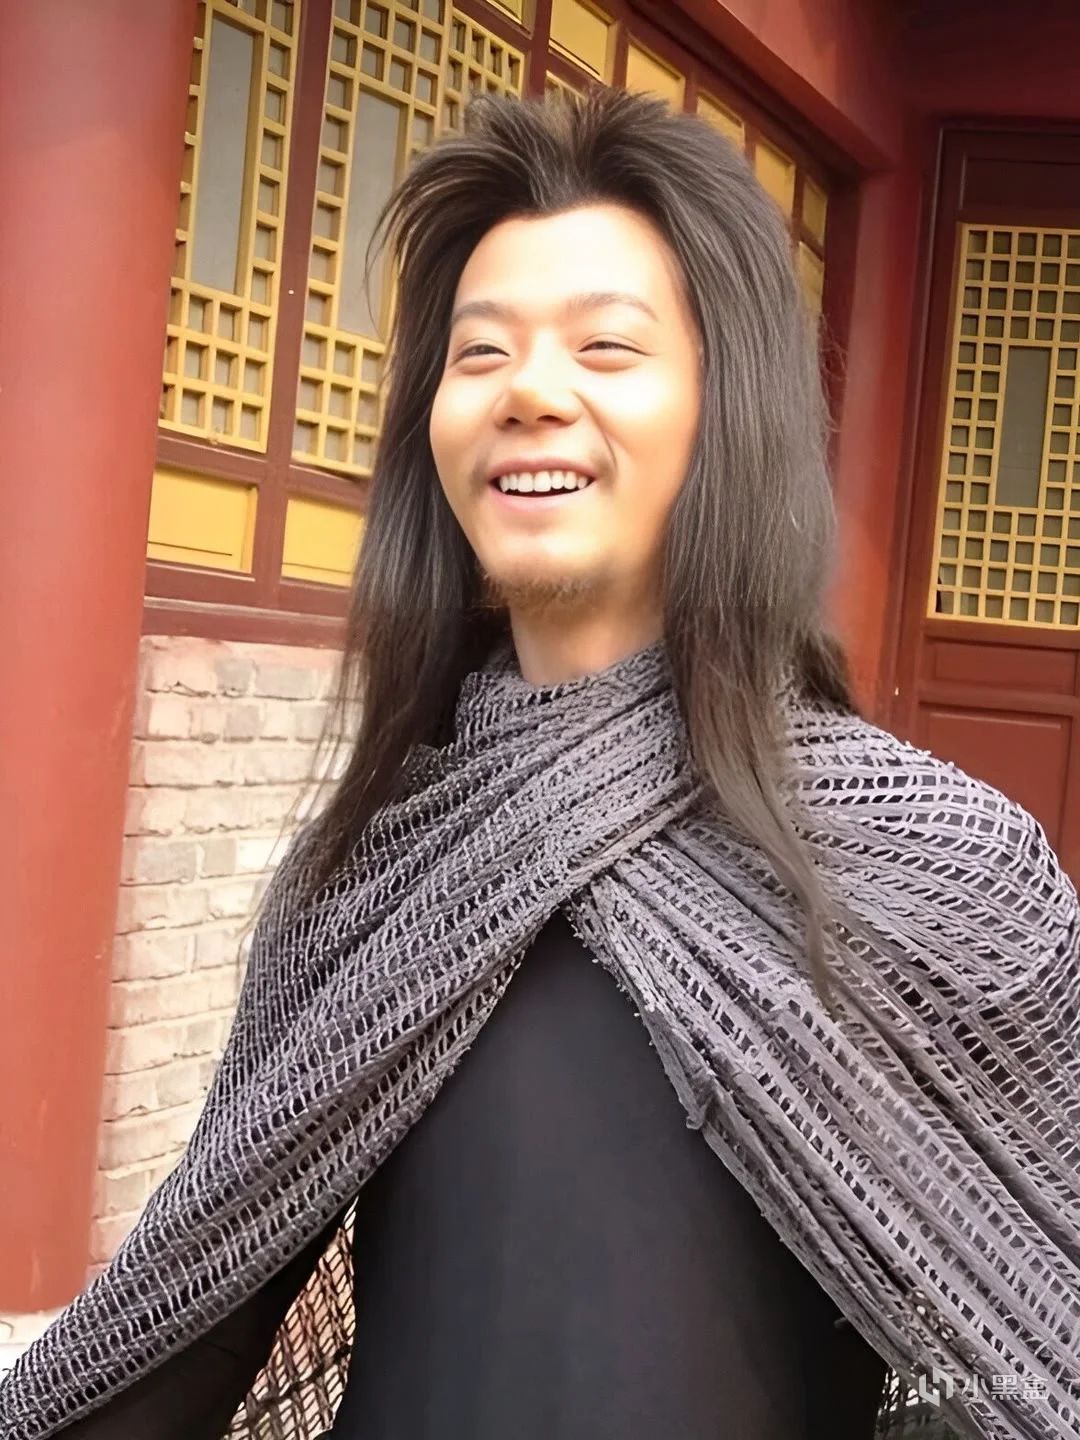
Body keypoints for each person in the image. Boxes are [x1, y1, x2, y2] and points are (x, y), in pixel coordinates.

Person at [3, 86, 1078, 1440]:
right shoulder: (376, 870)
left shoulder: (938, 870)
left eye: (606, 346)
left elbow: (1022, 1353)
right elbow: (185, 1322)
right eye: (481, 353)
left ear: (727, 409)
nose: (528, 393)